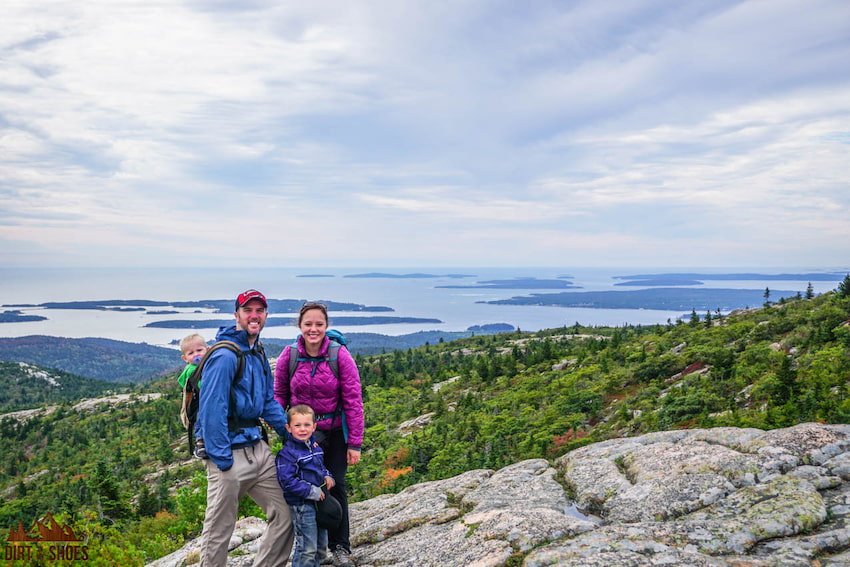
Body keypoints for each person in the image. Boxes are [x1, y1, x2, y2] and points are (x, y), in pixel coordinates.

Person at [197, 289, 293, 567]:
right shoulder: (225, 356)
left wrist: (290, 435)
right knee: (219, 529)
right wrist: (222, 461)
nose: (254, 315)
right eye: (248, 310)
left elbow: (266, 400)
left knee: (286, 514)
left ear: (265, 315)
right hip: (228, 455)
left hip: (258, 450)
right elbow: (212, 409)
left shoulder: (257, 353)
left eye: (259, 310)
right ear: (236, 315)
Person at [275, 302, 364, 567]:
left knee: (334, 485)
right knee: (303, 489)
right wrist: (283, 429)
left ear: (326, 326)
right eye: (308, 324)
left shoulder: (340, 356)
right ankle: (311, 548)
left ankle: (340, 546)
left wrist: (355, 443)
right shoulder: (289, 356)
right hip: (301, 435)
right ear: (300, 326)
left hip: (334, 433)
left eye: (319, 324)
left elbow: (353, 401)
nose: (313, 329)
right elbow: (279, 395)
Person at [276, 404, 336, 567]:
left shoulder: (315, 449)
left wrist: (327, 475)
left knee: (320, 541)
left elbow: (320, 467)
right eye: (297, 425)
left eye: (307, 425)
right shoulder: (287, 454)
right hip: (302, 504)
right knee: (306, 548)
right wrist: (311, 491)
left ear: (314, 427)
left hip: (319, 502)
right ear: (288, 428)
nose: (302, 429)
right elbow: (287, 481)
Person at [177, 333, 209, 458]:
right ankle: (200, 442)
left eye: (199, 350)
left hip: (202, 399)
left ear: (207, 350)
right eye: (191, 353)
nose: (196, 355)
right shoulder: (192, 369)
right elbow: (202, 385)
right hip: (199, 401)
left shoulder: (203, 365)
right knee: (200, 418)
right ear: (185, 358)